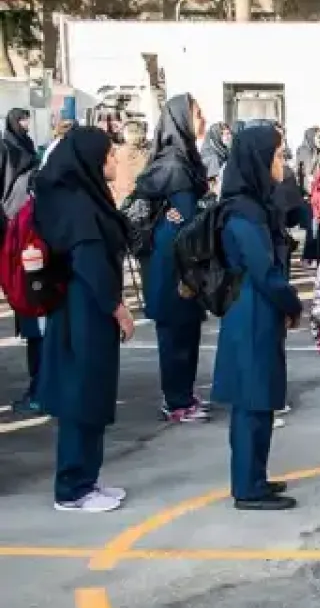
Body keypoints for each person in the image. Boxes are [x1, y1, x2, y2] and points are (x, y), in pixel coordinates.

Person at [33, 126, 134, 512]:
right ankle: (71, 488)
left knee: (92, 393)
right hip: (83, 311)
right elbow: (90, 262)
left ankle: (87, 480)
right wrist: (117, 307)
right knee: (81, 395)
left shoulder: (88, 196)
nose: (114, 160)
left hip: (89, 309)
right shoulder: (77, 205)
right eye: (108, 155)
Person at [210, 125, 303, 511]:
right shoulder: (243, 212)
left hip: (257, 310)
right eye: (277, 155)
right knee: (251, 400)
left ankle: (255, 477)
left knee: (261, 398)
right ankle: (247, 487)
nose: (282, 162)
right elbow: (263, 271)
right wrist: (292, 304)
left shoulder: (257, 205)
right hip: (251, 312)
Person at [137, 94, 211, 423]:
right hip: (171, 265)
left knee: (187, 329)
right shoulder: (175, 166)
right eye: (197, 114)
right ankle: (176, 400)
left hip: (179, 260)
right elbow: (186, 215)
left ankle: (184, 393)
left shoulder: (180, 160)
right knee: (176, 333)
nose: (203, 120)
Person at [2, 108, 44, 416]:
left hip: (28, 249)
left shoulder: (27, 149)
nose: (27, 124)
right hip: (14, 231)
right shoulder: (7, 146)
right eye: (23, 119)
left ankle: (41, 388)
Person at [199, 122, 231, 190]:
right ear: (216, 136)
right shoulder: (212, 156)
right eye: (223, 134)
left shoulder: (223, 150)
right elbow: (213, 186)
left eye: (228, 133)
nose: (228, 137)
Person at [295, 126, 320, 194]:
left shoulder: (316, 151)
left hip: (310, 186)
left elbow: (316, 173)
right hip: (302, 188)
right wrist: (311, 192)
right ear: (311, 137)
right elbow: (304, 174)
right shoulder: (304, 150)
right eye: (319, 137)